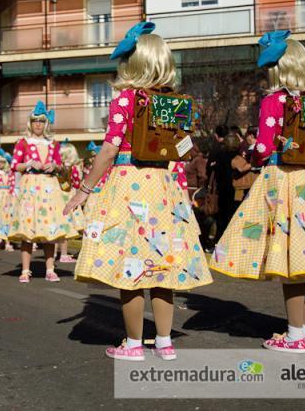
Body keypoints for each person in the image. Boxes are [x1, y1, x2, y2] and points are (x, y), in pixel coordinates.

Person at [210, 31, 305, 353]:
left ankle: (294, 334)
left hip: (282, 180)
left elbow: (265, 147)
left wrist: (253, 157)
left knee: (290, 263)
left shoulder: (274, 101)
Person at [64, 22, 212, 360]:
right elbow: (183, 150)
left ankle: (133, 344)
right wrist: (185, 190)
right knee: (162, 267)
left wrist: (85, 190)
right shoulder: (175, 104)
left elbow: (108, 151)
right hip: (164, 188)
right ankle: (164, 342)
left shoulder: (125, 100)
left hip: (130, 186)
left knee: (129, 269)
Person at [8, 101, 81, 284]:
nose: (38, 124)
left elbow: (59, 165)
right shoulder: (22, 143)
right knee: (27, 231)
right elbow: (14, 165)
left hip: (49, 188)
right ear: (30, 123)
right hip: (30, 187)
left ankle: (50, 269)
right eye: (34, 121)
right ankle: (25, 270)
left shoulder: (54, 144)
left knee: (50, 232)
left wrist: (54, 166)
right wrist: (29, 164)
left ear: (46, 123)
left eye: (41, 120)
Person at [206, 125, 235, 241]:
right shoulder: (233, 150)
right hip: (233, 186)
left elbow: (209, 168)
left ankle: (217, 239)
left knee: (219, 216)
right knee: (228, 215)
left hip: (219, 187)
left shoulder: (217, 150)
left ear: (216, 135)